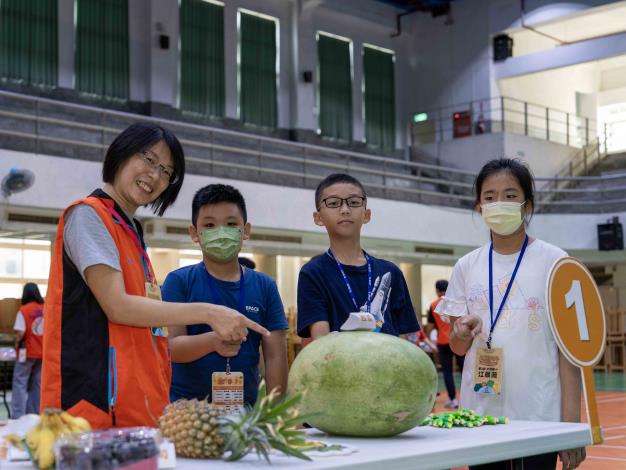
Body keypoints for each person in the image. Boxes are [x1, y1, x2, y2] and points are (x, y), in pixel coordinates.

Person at [41, 123, 268, 429]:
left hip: (133, 406)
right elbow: (118, 306)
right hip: (91, 405)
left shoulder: (130, 230)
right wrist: (209, 312)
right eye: (149, 159)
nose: (155, 176)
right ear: (122, 152)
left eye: (166, 171)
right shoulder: (88, 215)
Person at [435, 158, 585, 470]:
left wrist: (572, 428)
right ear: (479, 207)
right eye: (489, 197)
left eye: (510, 195)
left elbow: (571, 353)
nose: (498, 203)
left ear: (527, 205)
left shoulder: (555, 261)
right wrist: (461, 334)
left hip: (540, 414)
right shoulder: (466, 266)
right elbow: (458, 347)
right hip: (481, 416)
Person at [162, 184, 288, 406]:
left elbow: (275, 356)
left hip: (244, 412)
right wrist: (212, 341)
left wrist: (276, 413)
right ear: (195, 233)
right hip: (186, 411)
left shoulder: (265, 286)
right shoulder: (179, 282)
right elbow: (170, 348)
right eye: (209, 225)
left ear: (245, 230)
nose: (221, 232)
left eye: (231, 224)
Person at [297, 173, 420, 340]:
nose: (345, 210)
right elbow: (320, 341)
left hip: (389, 364)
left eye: (354, 203)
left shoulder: (391, 272)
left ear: (366, 214)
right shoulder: (313, 273)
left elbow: (405, 339)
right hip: (339, 365)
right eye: (333, 203)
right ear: (318, 218)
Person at [426, 279, 465, 409]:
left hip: (443, 341)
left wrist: (428, 340)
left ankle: (453, 399)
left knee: (447, 372)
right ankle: (466, 399)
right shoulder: (456, 302)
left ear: (436, 290)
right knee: (464, 370)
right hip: (459, 339)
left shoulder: (433, 305)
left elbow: (430, 326)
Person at [11, 283, 44, 418]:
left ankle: (18, 416)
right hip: (42, 352)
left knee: (20, 382)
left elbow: (20, 333)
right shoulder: (46, 308)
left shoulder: (24, 310)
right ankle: (33, 414)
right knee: (37, 384)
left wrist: (16, 343)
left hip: (27, 352)